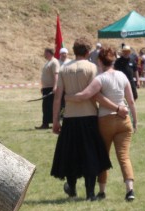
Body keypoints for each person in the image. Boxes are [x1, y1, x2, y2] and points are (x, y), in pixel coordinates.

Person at [65, 46, 138, 202]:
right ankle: (130, 190)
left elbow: (84, 95)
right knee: (124, 156)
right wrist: (135, 121)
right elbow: (131, 101)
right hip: (124, 120)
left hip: (106, 120)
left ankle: (102, 191)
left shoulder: (100, 79)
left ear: (100, 61)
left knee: (103, 156)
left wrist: (67, 96)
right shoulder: (122, 76)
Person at [50, 38, 112, 201]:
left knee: (71, 154)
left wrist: (55, 120)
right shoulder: (93, 68)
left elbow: (58, 97)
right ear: (88, 52)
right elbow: (96, 93)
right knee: (90, 155)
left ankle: (72, 189)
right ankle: (90, 193)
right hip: (89, 116)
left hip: (70, 117)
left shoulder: (64, 68)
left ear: (74, 50)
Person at [36, 48, 60, 129]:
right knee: (46, 107)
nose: (44, 54)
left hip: (51, 88)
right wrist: (43, 87)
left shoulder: (54, 62)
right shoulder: (48, 62)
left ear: (49, 53)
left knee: (50, 107)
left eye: (45, 53)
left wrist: (55, 86)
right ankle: (45, 123)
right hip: (46, 88)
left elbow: (56, 74)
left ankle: (51, 123)